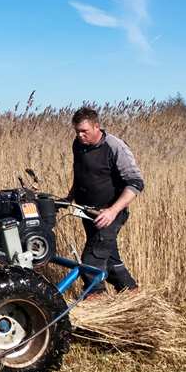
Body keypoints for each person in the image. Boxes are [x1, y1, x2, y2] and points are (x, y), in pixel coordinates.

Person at [65, 106, 143, 294]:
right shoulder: (78, 145)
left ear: (96, 127)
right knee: (109, 259)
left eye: (84, 131)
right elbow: (81, 173)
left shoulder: (115, 147)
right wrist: (70, 196)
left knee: (92, 258)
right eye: (77, 131)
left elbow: (136, 183)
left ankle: (95, 297)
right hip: (87, 211)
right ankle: (132, 293)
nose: (80, 135)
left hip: (110, 213)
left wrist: (112, 211)